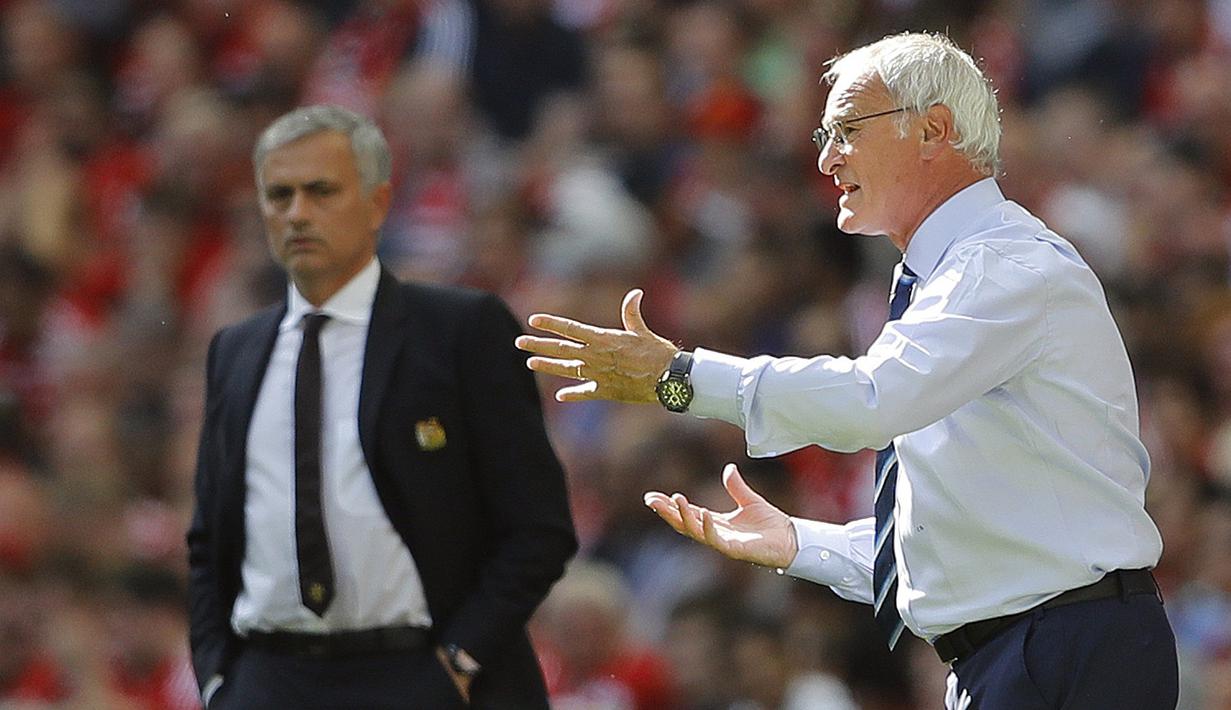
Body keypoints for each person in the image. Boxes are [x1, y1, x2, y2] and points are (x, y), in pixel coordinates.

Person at [517, 32, 1179, 709]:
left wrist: (680, 377)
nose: (828, 159)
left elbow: (872, 400)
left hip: (1065, 650)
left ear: (933, 130)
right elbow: (963, 544)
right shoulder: (949, 281)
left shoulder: (1002, 265)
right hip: (1024, 655)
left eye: (846, 131)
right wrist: (799, 543)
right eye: (822, 136)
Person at [187, 105, 577, 709]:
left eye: (321, 192)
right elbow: (210, 540)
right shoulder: (234, 352)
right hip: (268, 678)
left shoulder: (459, 331)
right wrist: (218, 676)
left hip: (419, 673)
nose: (297, 214)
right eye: (279, 195)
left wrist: (461, 657)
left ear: (377, 202)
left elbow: (539, 526)